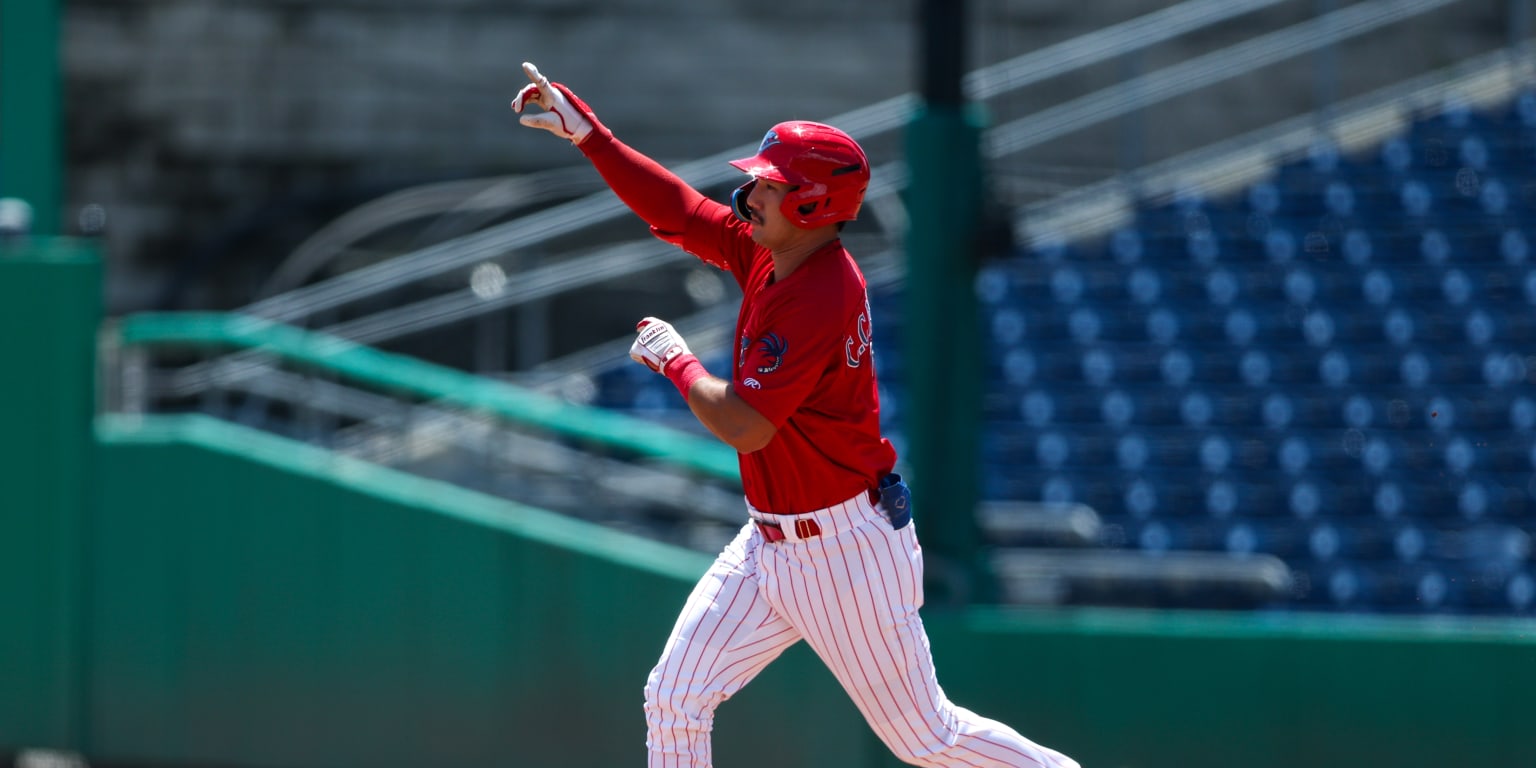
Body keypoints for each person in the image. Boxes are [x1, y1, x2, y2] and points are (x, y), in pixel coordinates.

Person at [512, 62, 1078, 768]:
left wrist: (676, 363)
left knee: (927, 739)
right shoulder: (770, 253)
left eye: (771, 187)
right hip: (771, 541)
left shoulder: (819, 293)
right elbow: (680, 213)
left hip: (842, 552)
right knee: (675, 698)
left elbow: (747, 423)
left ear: (812, 205)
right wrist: (589, 135)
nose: (750, 194)